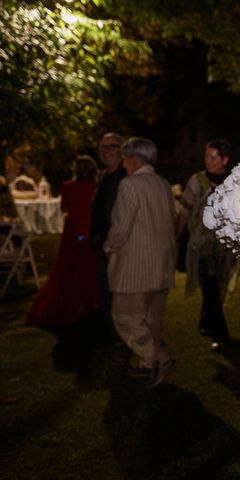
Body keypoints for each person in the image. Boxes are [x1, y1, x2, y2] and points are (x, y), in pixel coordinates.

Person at [103, 137, 177, 389]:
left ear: (134, 159)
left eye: (124, 158)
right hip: (162, 265)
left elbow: (120, 228)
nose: (123, 164)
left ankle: (160, 359)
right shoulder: (164, 184)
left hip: (135, 267)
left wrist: (108, 247)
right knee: (150, 320)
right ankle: (148, 365)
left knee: (124, 316)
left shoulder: (130, 184)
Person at [176, 139, 236, 351]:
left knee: (217, 287)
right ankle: (220, 335)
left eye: (213, 157)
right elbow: (184, 210)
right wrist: (177, 236)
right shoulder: (197, 180)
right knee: (210, 286)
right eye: (206, 156)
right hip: (201, 247)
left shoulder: (234, 182)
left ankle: (205, 321)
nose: (208, 161)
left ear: (225, 160)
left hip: (226, 247)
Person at [26, 155, 100, 328]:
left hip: (74, 231)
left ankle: (72, 303)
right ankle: (90, 303)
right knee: (89, 266)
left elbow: (64, 206)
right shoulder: (95, 186)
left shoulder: (67, 186)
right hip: (88, 229)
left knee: (69, 265)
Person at [90, 133, 126, 341]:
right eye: (103, 147)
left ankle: (122, 333)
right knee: (106, 289)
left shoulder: (125, 177)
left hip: (116, 244)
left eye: (112, 146)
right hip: (101, 242)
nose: (106, 151)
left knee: (119, 291)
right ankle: (113, 331)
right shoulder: (104, 175)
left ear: (122, 151)